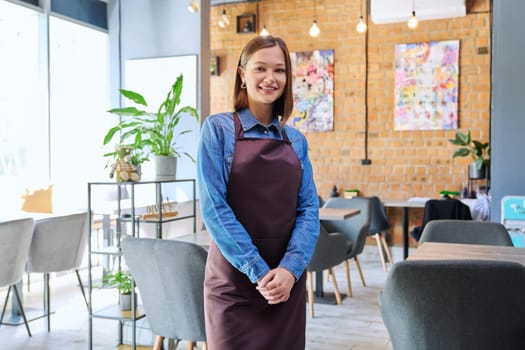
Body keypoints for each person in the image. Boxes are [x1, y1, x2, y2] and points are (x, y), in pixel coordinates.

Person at [197, 35, 320, 349]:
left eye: (279, 70)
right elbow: (214, 209)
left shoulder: (297, 141)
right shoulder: (217, 130)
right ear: (242, 74)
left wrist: (290, 271)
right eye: (260, 68)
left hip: (285, 287)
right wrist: (259, 272)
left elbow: (308, 210)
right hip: (234, 286)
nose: (270, 78)